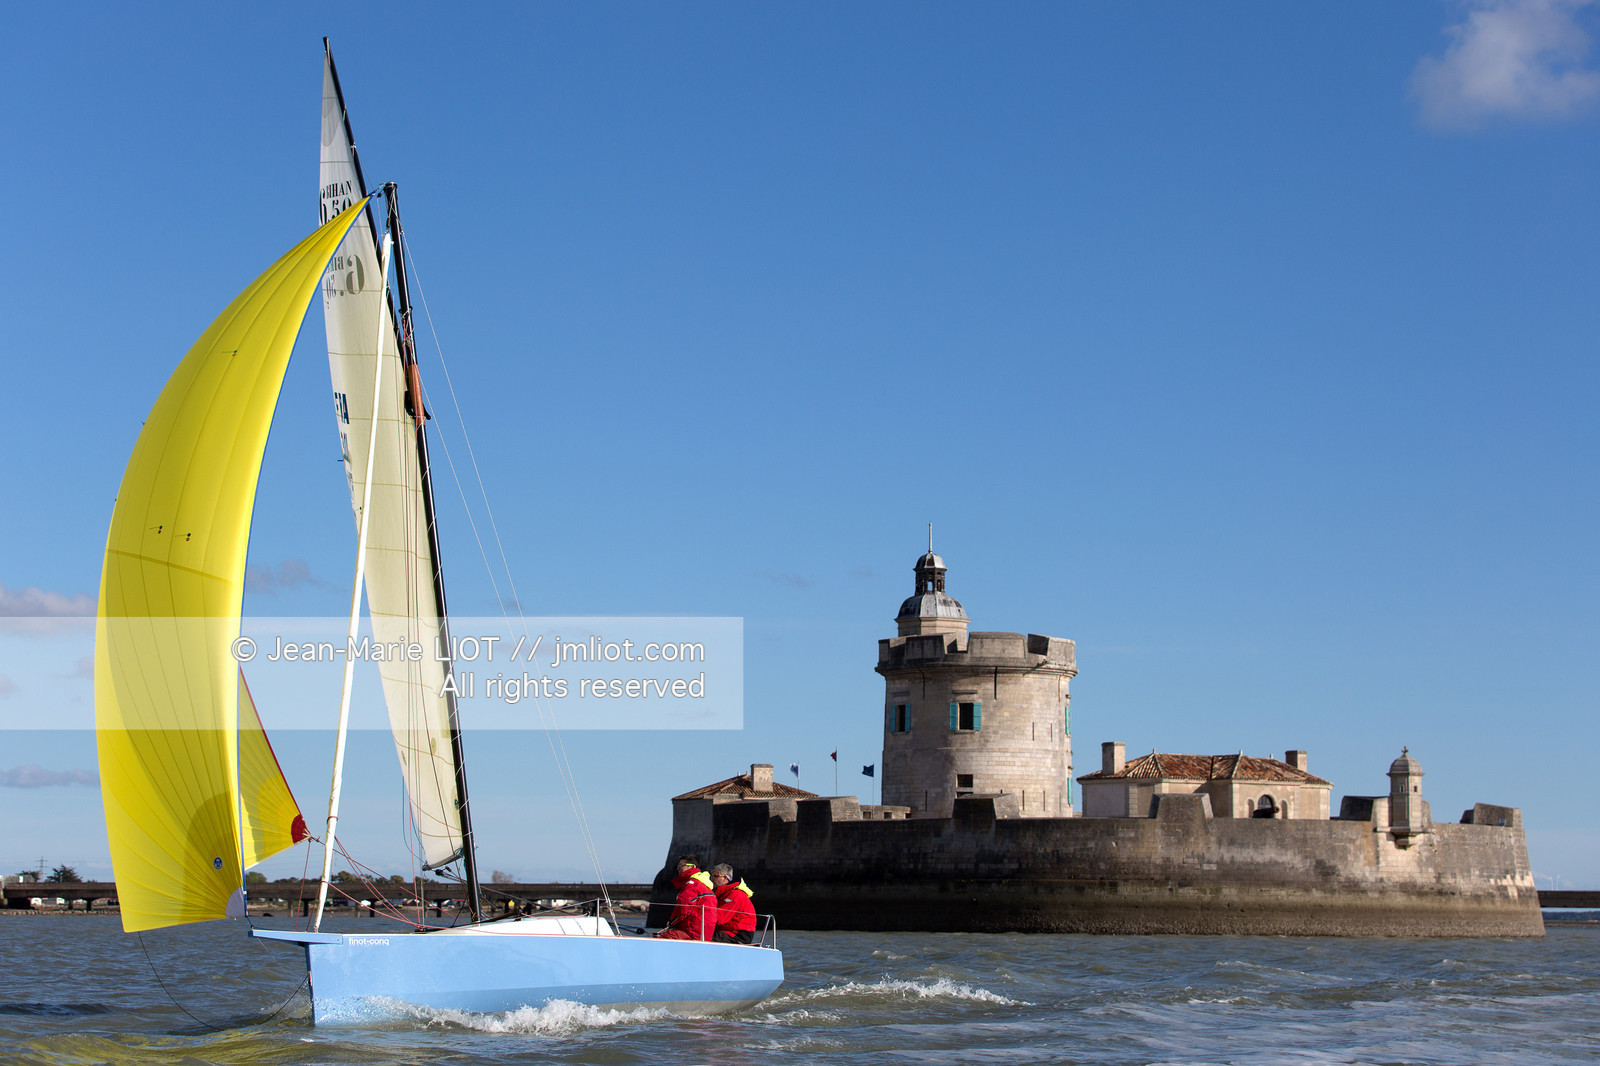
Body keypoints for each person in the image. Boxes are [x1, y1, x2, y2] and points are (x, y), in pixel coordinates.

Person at [655, 855, 716, 940]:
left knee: (661, 937)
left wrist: (671, 922)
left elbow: (684, 908)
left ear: (691, 866)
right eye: (678, 865)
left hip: (692, 932)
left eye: (681, 865)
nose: (678, 868)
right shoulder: (703, 884)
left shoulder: (691, 884)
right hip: (705, 932)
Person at [710, 863, 757, 944]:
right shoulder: (723, 894)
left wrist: (701, 921)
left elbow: (720, 918)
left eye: (715, 876)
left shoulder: (735, 894)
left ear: (725, 878)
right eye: (711, 876)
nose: (711, 879)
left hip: (737, 934)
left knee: (702, 938)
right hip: (727, 931)